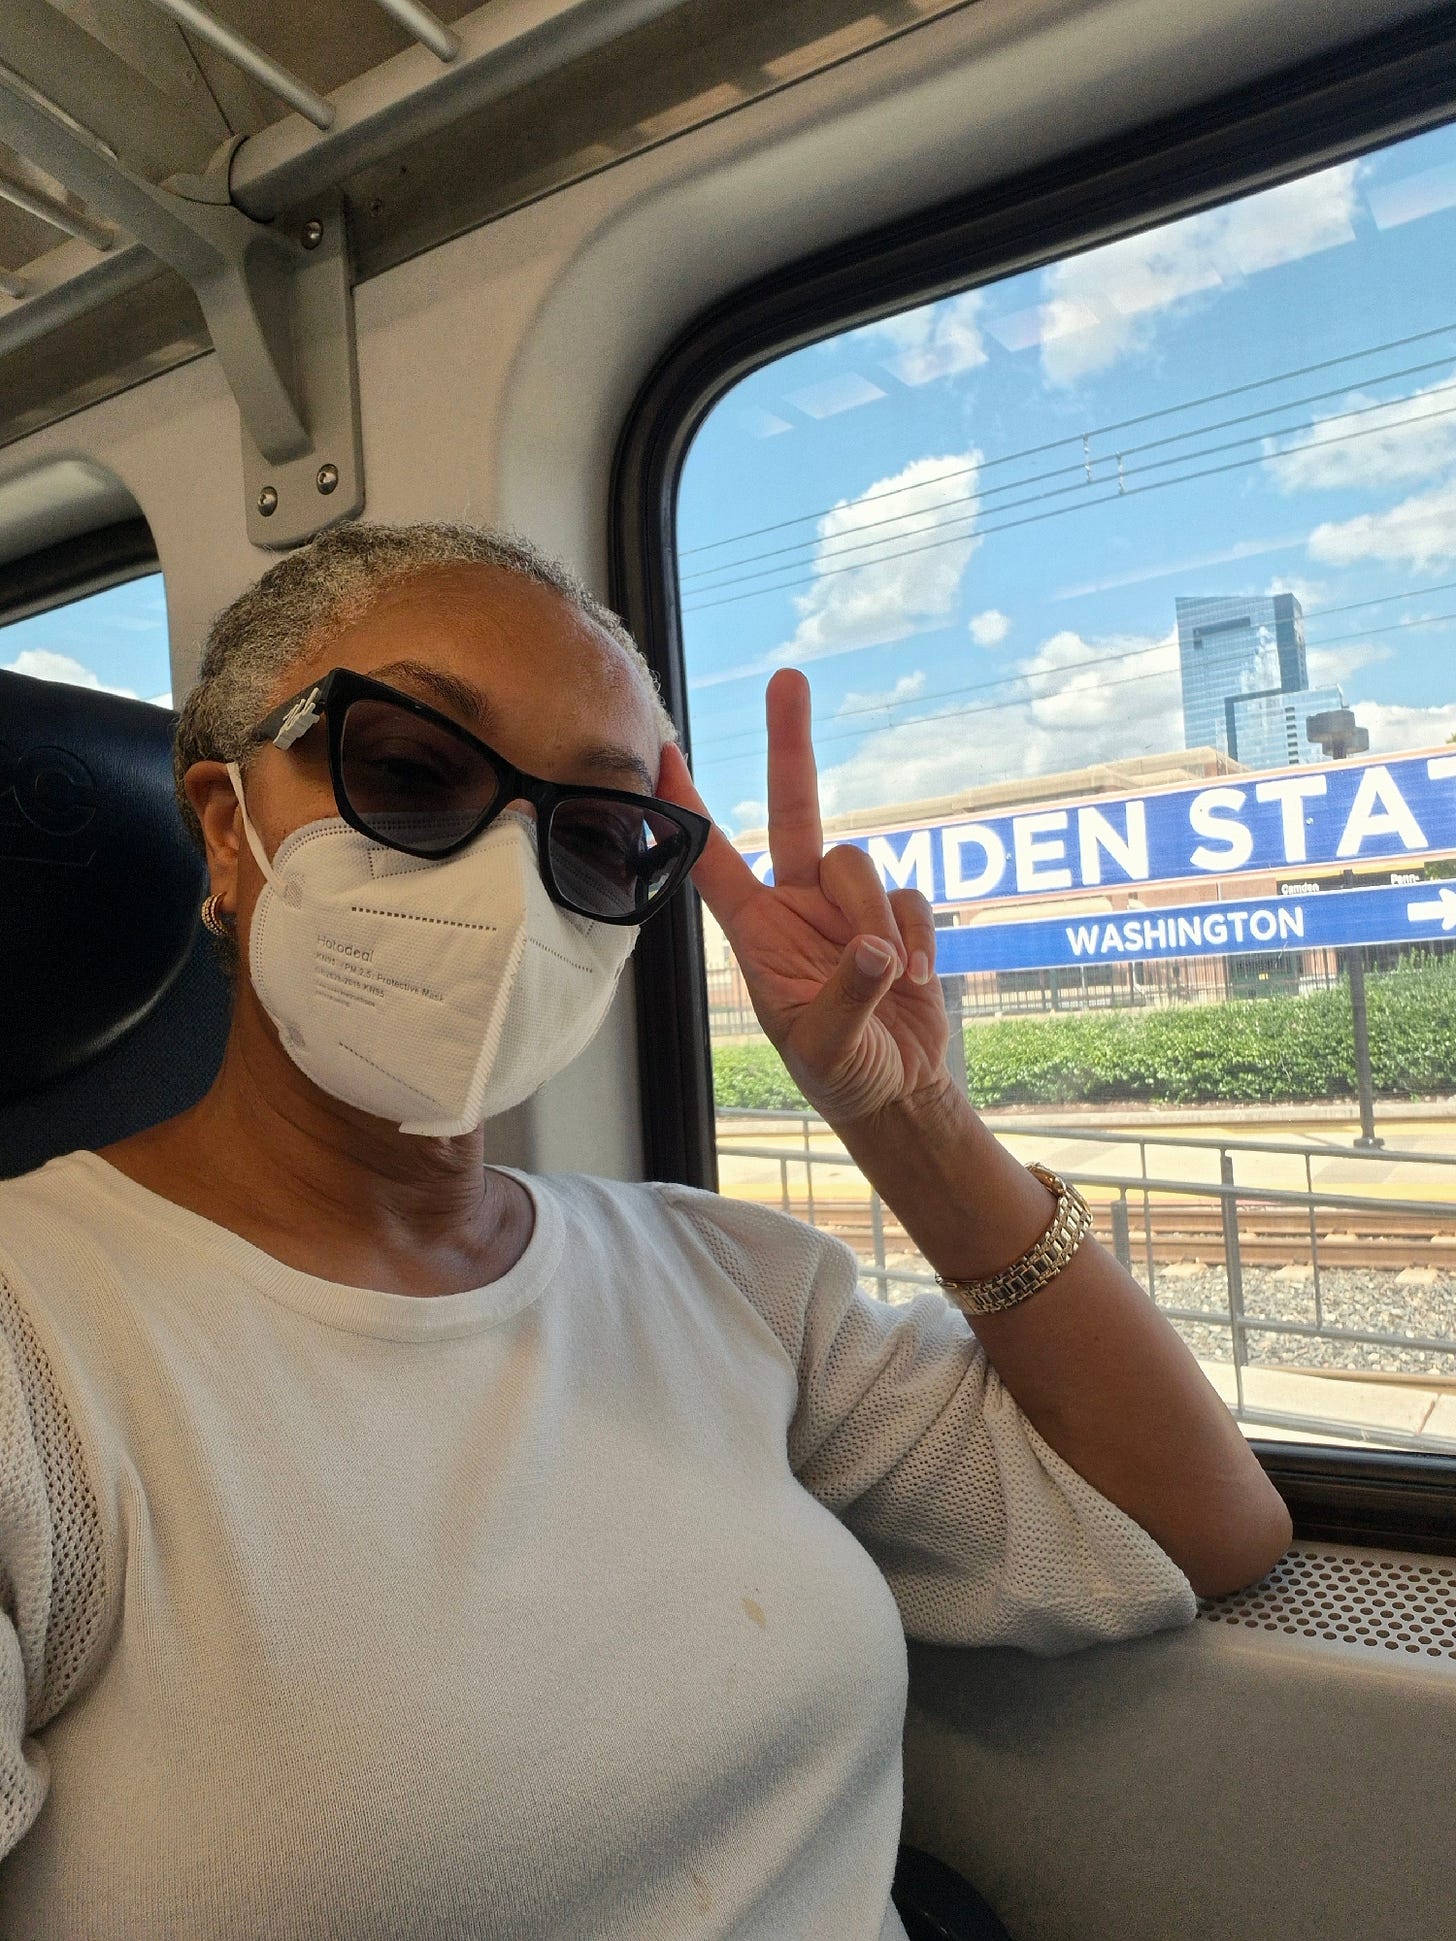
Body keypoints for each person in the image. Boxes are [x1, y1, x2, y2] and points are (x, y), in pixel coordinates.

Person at [0, 521, 1291, 1939]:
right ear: (223, 827)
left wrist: (910, 1116)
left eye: (603, 835)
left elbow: (1200, 1522)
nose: (505, 880)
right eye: (412, 772)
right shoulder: (36, 1343)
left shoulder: (728, 1280)